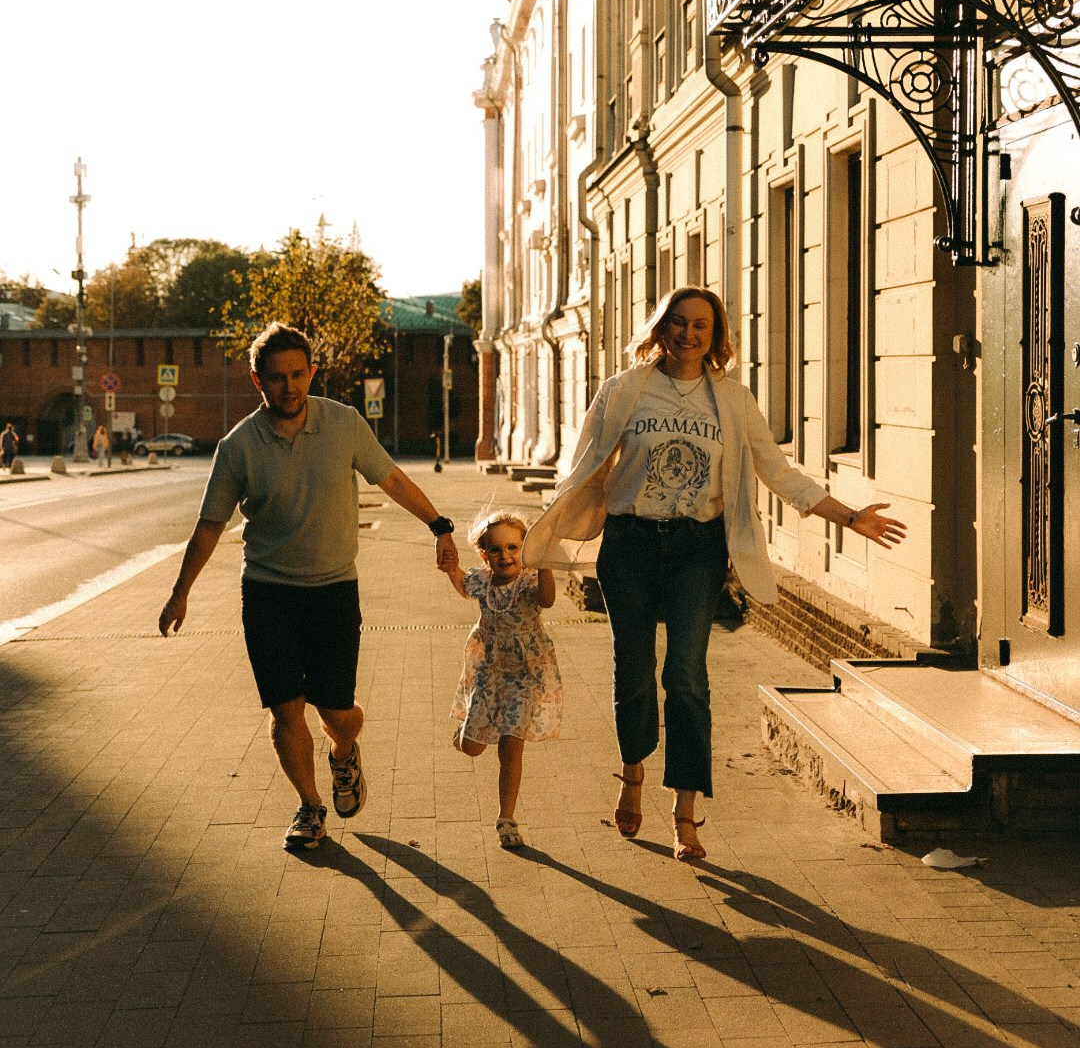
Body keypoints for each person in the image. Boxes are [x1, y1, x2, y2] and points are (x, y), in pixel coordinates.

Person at [522, 286, 907, 863]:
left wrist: (849, 516)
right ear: (661, 327)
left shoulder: (731, 400)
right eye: (678, 323)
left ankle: (683, 811)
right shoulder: (624, 390)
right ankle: (632, 775)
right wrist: (543, 538)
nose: (689, 334)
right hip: (629, 547)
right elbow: (581, 469)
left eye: (701, 325)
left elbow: (778, 471)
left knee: (686, 675)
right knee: (632, 671)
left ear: (716, 334)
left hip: (696, 551)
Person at [158, 321, 459, 853]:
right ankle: (310, 806)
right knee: (285, 709)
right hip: (268, 594)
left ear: (311, 373)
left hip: (334, 592)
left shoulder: (343, 424)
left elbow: (390, 478)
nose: (289, 386)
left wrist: (439, 526)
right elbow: (209, 525)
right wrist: (181, 591)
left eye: (298, 374)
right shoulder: (237, 448)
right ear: (258, 381)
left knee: (337, 714)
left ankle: (344, 754)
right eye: (277, 378)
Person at [441, 511, 560, 849]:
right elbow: (463, 585)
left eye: (513, 547)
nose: (505, 556)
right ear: (484, 555)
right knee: (472, 747)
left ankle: (506, 819)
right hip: (489, 672)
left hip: (525, 675)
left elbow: (548, 600)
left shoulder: (531, 581)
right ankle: (464, 734)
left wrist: (546, 561)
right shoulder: (483, 580)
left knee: (510, 748)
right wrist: (450, 567)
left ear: (525, 550)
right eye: (496, 550)